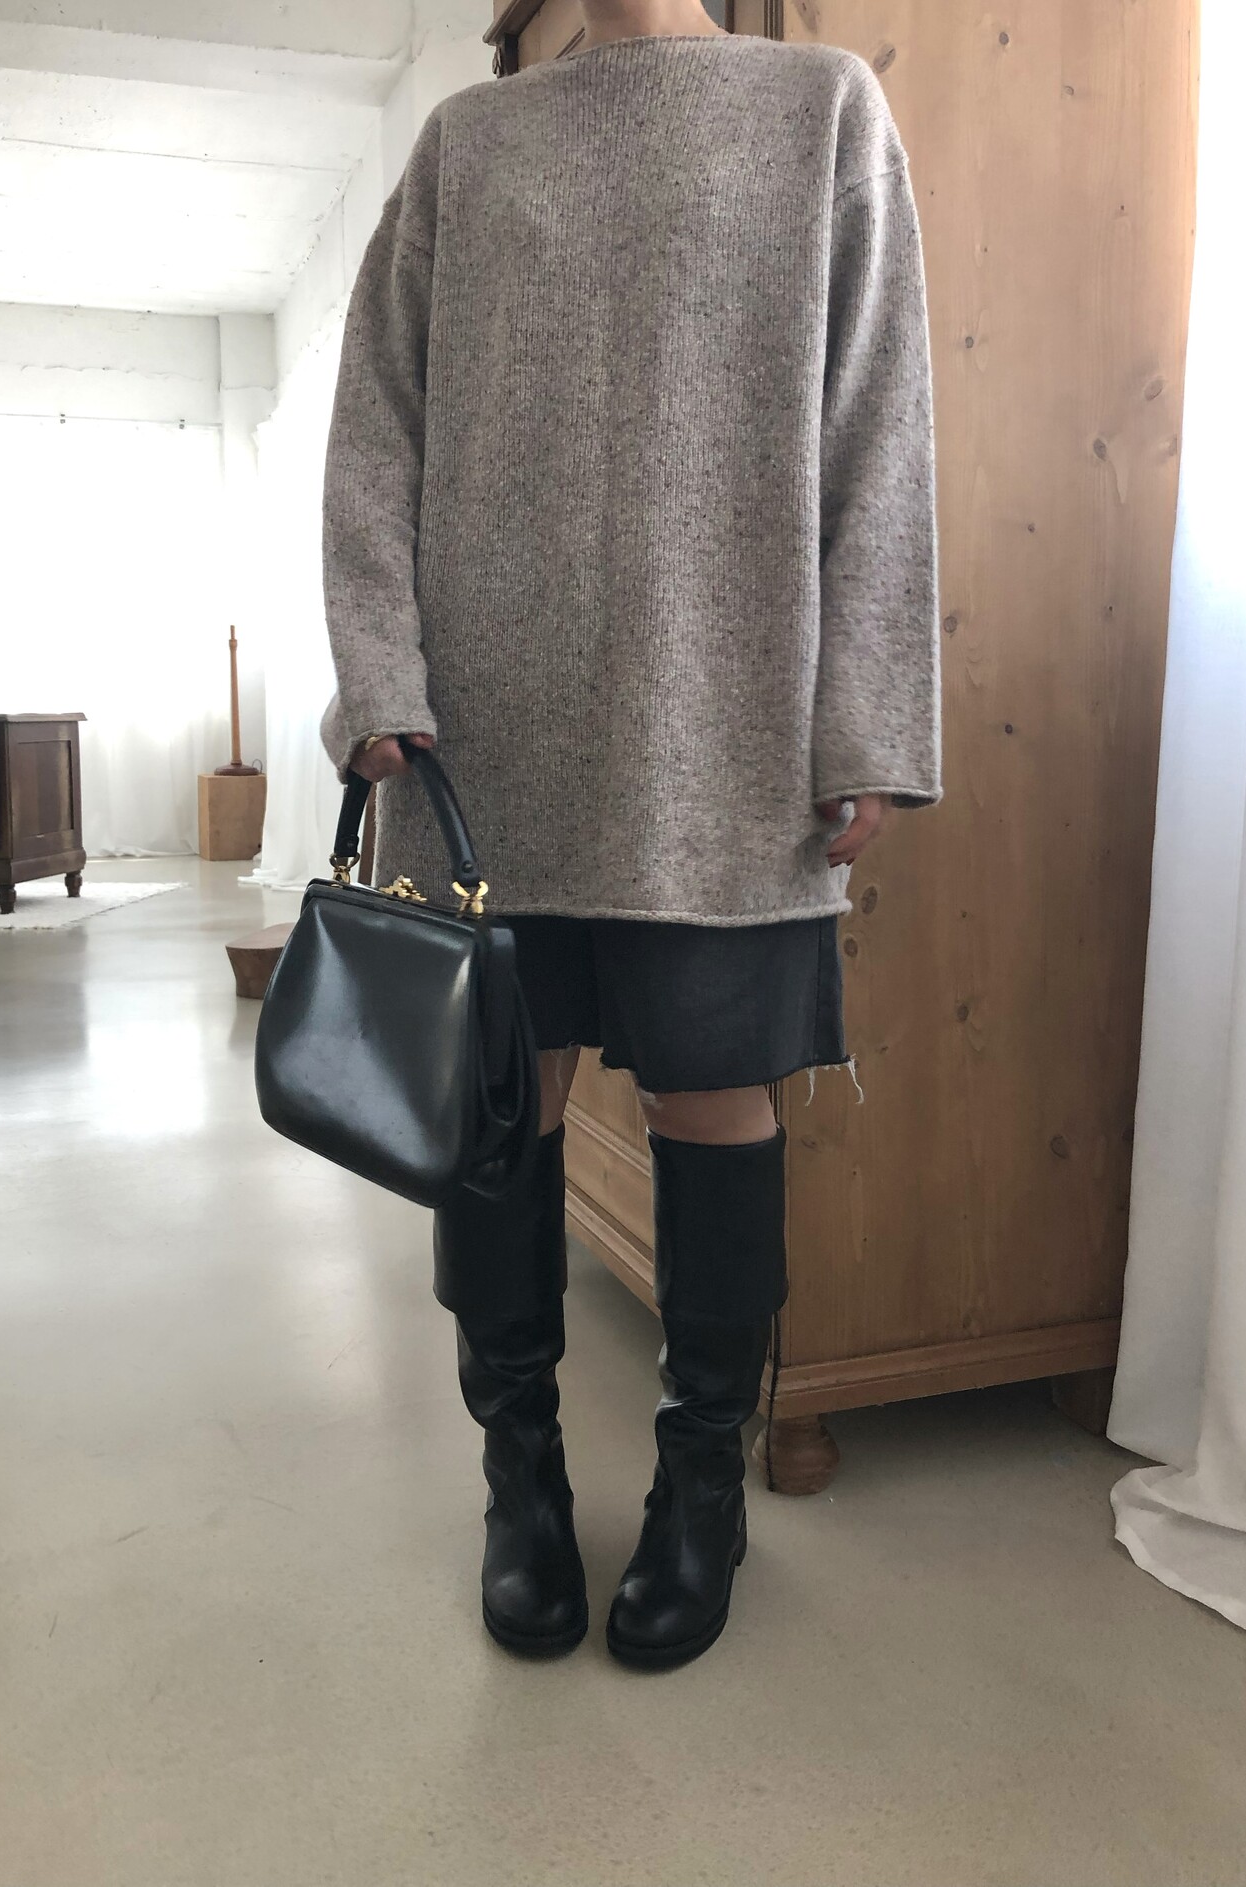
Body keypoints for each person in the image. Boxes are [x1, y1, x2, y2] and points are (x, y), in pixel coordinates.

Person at [318, 0, 941, 1670]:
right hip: (483, 740)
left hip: (726, 725)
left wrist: (872, 719)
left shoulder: (821, 110)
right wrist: (377, 675)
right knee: (500, 1108)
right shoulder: (469, 145)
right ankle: (520, 1479)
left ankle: (702, 1485)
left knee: (712, 1098)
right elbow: (376, 425)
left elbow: (878, 422)